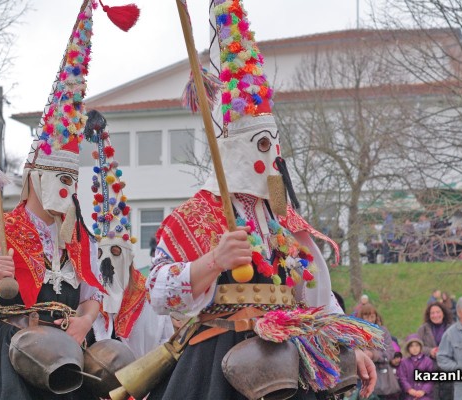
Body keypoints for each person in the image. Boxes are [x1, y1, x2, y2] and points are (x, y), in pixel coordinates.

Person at [146, 1, 378, 399]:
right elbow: (158, 292)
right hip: (219, 363)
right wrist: (212, 262)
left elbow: (316, 295)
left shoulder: (282, 217)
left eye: (275, 141)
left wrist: (348, 345)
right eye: (262, 143)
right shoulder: (196, 215)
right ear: (233, 149)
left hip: (289, 361)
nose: (273, 155)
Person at [0, 2, 108, 399]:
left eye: (71, 178)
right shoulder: (0, 232)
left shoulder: (78, 237)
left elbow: (92, 300)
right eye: (58, 176)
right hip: (15, 358)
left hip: (69, 359)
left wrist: (83, 323)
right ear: (35, 176)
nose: (64, 187)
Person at [87, 110, 173, 359]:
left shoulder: (149, 296)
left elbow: (165, 348)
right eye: (100, 252)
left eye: (115, 252)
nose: (107, 262)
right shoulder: (88, 297)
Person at [357, 305, 400, 400]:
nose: (370, 320)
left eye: (372, 316)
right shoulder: (357, 332)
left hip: (382, 376)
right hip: (362, 375)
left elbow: (390, 352)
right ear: (362, 317)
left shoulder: (383, 331)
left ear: (376, 317)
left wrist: (374, 355)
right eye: (366, 316)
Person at [417, 301, 453, 400]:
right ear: (429, 315)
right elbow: (416, 347)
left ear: (443, 313)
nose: (435, 315)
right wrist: (430, 351)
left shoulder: (452, 328)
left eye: (438, 312)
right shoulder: (423, 329)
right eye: (432, 313)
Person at [397, 334, 434, 400]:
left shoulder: (428, 361)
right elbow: (402, 378)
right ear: (408, 348)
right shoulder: (404, 362)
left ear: (420, 347)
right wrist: (409, 390)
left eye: (417, 345)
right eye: (411, 346)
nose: (415, 348)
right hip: (408, 396)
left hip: (425, 396)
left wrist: (423, 391)